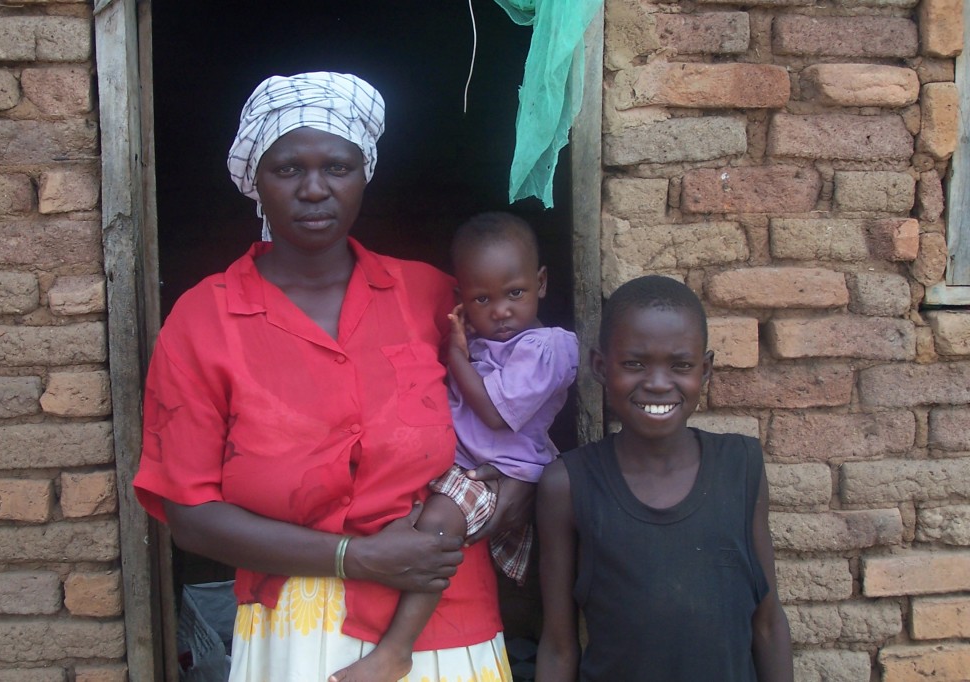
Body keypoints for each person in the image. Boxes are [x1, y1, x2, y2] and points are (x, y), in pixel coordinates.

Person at [133, 72, 527, 682]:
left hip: (445, 619)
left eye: (337, 168)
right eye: (288, 168)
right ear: (255, 180)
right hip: (294, 628)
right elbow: (190, 513)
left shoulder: (431, 297)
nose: (314, 189)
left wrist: (482, 509)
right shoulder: (204, 319)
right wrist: (358, 558)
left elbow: (524, 423)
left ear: (364, 172)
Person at [332, 212, 578, 682]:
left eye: (515, 293)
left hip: (504, 474)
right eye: (482, 299)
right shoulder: (488, 344)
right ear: (462, 301)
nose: (501, 310)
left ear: (542, 283)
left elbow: (490, 412)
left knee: (442, 523)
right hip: (462, 469)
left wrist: (457, 353)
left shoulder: (546, 349)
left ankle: (396, 650)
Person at [535, 275, 793, 682]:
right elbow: (558, 644)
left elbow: (767, 622)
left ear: (704, 369)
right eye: (634, 364)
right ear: (601, 366)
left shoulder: (740, 468)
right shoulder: (568, 485)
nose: (657, 383)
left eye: (681, 366)